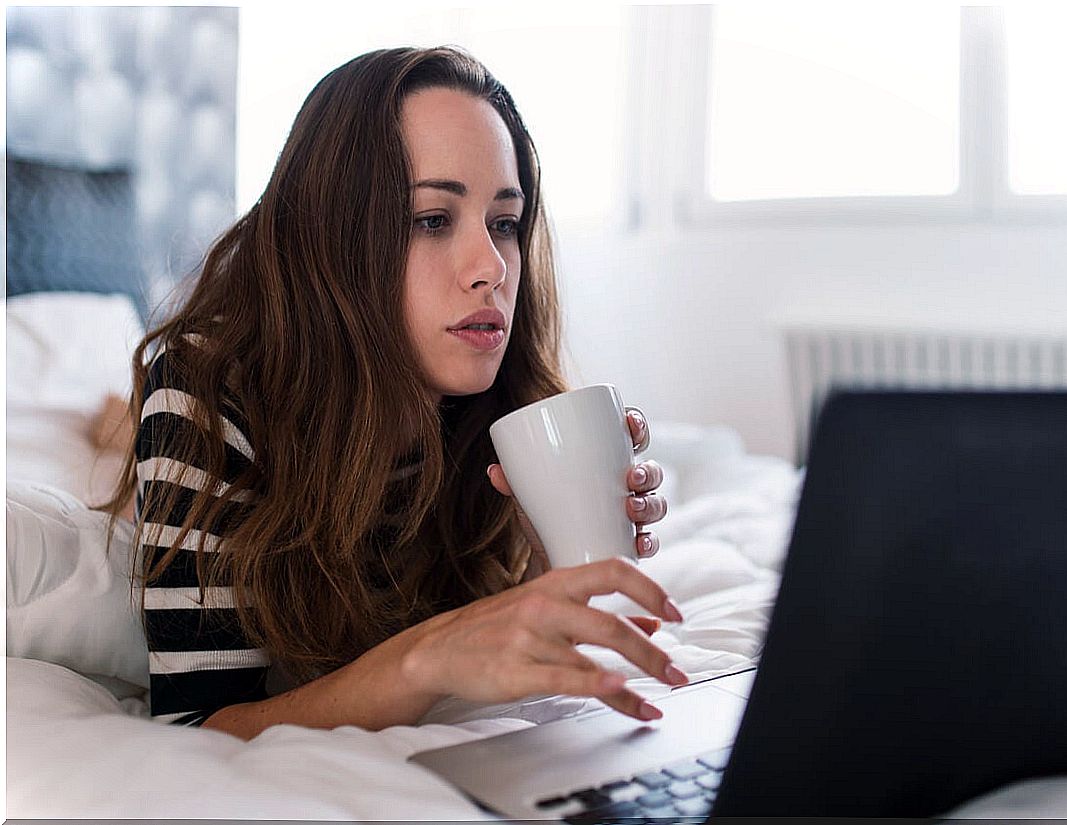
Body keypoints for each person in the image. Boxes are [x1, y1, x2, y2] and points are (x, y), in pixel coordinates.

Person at [104, 46, 686, 742]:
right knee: (104, 427)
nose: (492, 268)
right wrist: (426, 657)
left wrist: (551, 561)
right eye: (432, 220)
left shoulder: (491, 407)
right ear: (333, 237)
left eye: (504, 222)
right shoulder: (204, 393)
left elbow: (498, 619)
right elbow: (198, 724)